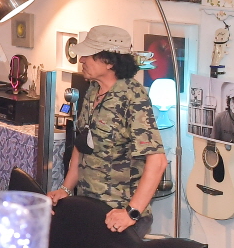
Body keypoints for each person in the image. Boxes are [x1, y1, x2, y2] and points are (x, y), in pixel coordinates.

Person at [47, 25, 166, 235]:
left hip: (119, 214)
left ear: (110, 62)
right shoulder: (93, 90)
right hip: (90, 207)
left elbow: (157, 162)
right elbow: (82, 145)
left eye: (88, 55)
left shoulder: (133, 97)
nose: (82, 60)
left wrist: (131, 213)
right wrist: (65, 189)